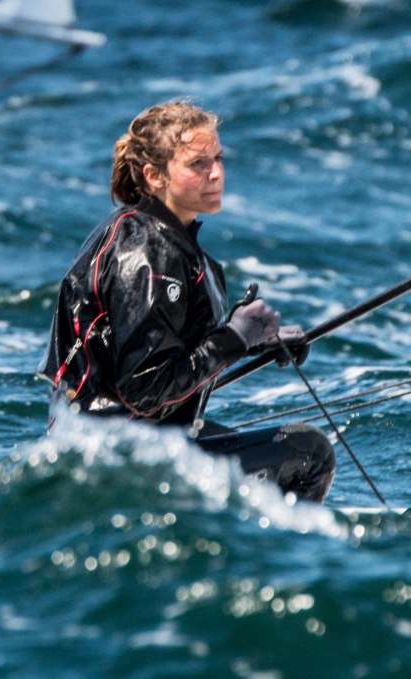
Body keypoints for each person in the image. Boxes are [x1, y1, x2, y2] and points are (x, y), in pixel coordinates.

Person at [39, 100, 336, 502]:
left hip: (119, 444)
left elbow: (164, 351)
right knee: (309, 452)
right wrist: (232, 339)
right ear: (154, 175)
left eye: (218, 159)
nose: (216, 173)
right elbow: (144, 387)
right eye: (198, 164)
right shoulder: (146, 252)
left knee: (230, 440)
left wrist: (254, 341)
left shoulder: (162, 242)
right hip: (116, 459)